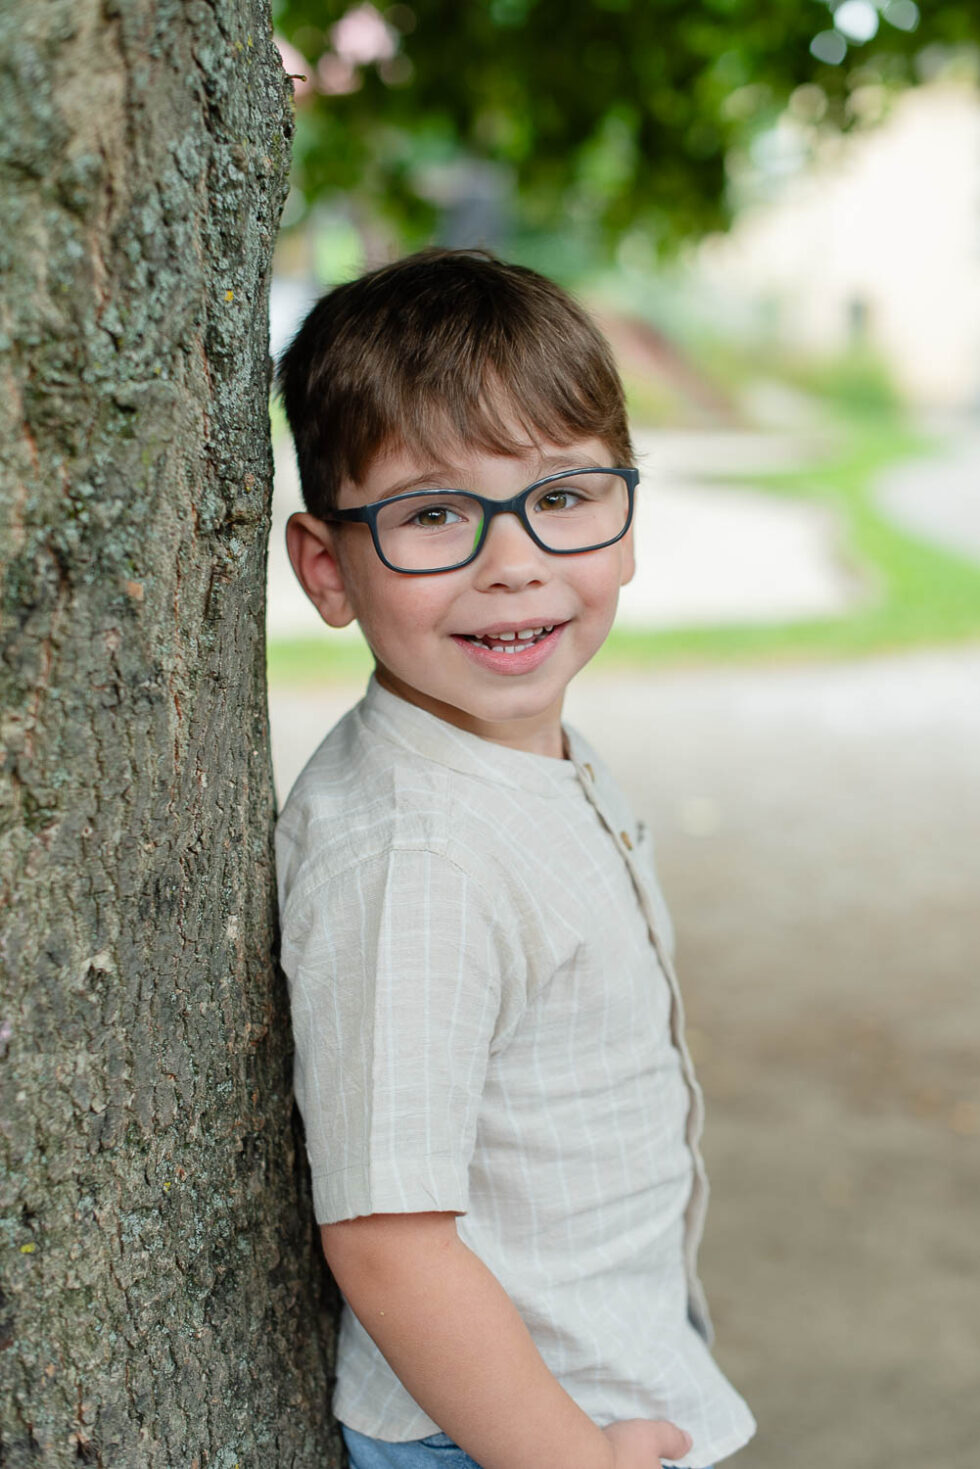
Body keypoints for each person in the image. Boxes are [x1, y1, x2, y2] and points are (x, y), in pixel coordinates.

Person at [274, 248, 755, 1469]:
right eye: (432, 512)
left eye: (561, 494)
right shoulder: (415, 849)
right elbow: (389, 1238)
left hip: (593, 1375)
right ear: (327, 565)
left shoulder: (525, 753)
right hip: (505, 1431)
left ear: (623, 510)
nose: (513, 559)